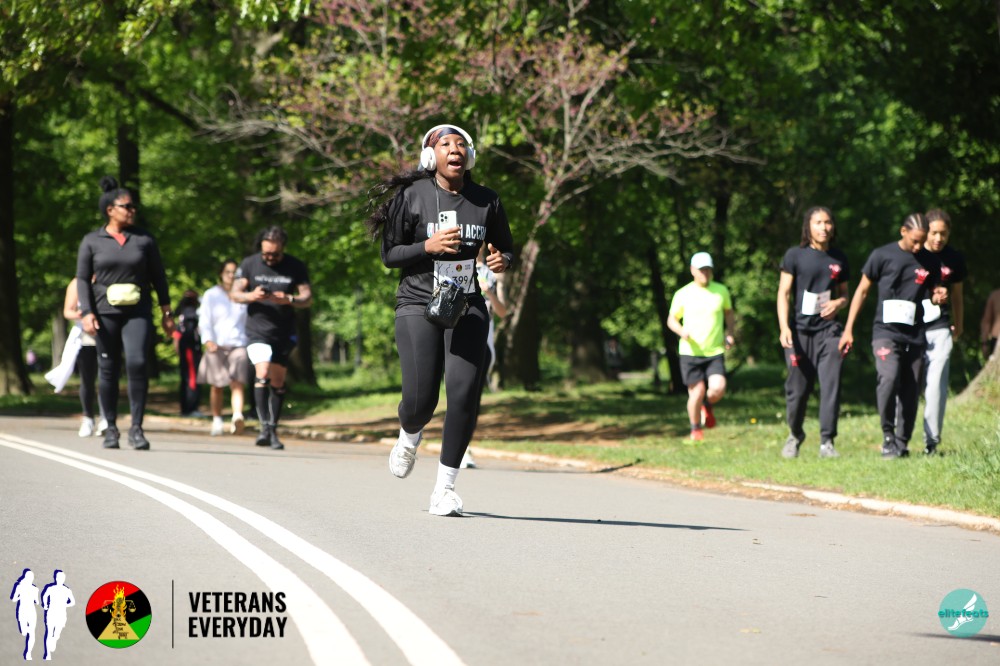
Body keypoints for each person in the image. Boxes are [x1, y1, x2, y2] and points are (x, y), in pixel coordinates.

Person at [365, 123, 514, 516]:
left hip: (467, 304)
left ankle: (444, 489)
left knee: (463, 395)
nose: (455, 149)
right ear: (431, 156)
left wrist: (502, 259)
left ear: (470, 155)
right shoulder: (411, 196)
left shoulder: (486, 200)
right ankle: (409, 435)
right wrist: (427, 246)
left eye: (461, 144)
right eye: (445, 144)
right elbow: (389, 255)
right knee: (421, 401)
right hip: (418, 302)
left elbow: (505, 248)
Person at [75, 176, 174, 450]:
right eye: (126, 206)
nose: (132, 210)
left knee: (137, 363)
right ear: (110, 210)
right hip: (104, 312)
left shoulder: (144, 239)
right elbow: (82, 279)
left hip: (137, 311)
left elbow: (158, 276)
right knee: (108, 368)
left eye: (133, 207)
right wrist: (87, 312)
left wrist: (166, 311)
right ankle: (110, 427)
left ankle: (137, 429)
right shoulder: (92, 241)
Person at [838, 213, 948, 458]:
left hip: (915, 334)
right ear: (903, 231)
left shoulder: (930, 261)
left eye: (922, 242)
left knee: (911, 389)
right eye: (914, 241)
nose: (918, 247)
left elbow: (933, 294)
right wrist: (848, 329)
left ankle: (902, 441)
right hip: (885, 332)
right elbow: (862, 291)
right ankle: (888, 436)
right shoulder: (882, 255)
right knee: (888, 378)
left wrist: (938, 296)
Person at [776, 207, 850, 459]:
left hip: (829, 331)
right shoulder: (794, 255)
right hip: (799, 332)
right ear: (808, 226)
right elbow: (784, 293)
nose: (824, 227)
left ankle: (827, 442)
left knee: (831, 385)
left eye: (828, 222)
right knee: (797, 390)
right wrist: (784, 327)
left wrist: (838, 303)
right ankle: (795, 434)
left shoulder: (838, 258)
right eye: (818, 222)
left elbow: (845, 294)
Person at [230, 226, 312, 451]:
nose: (270, 258)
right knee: (262, 371)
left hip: (283, 332)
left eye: (275, 254)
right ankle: (263, 427)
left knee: (277, 381)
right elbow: (234, 294)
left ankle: (272, 429)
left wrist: (289, 299)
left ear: (283, 248)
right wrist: (252, 295)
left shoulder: (295, 266)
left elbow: (307, 298)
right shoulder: (249, 264)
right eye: (266, 253)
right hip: (257, 331)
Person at [666, 251, 736, 441]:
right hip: (690, 352)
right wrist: (681, 331)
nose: (705, 272)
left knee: (718, 389)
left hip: (714, 351)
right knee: (696, 392)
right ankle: (695, 428)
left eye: (707, 269)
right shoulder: (683, 293)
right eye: (701, 269)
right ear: (692, 270)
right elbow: (671, 320)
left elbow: (729, 313)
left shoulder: (721, 290)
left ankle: (708, 405)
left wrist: (730, 334)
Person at [920, 209, 966, 455]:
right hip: (911, 327)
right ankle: (896, 439)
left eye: (943, 234)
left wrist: (959, 324)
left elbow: (957, 294)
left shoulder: (954, 259)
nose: (938, 238)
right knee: (905, 383)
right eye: (934, 233)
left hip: (940, 326)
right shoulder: (914, 253)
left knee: (936, 384)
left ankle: (932, 441)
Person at [461, 247, 509, 469]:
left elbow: (503, 311)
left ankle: (464, 448)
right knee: (459, 396)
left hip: (484, 344)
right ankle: (457, 447)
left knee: (473, 400)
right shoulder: (456, 267)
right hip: (458, 340)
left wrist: (488, 292)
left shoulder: (493, 273)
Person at [198, 259, 250, 436]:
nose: (231, 276)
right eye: (228, 272)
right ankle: (217, 419)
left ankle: (237, 416)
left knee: (237, 382)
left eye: (234, 272)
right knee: (217, 385)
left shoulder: (244, 296)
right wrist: (208, 340)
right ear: (221, 274)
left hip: (239, 344)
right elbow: (205, 319)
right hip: (217, 345)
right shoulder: (211, 295)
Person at [56, 278, 108, 437]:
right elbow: (67, 311)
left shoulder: (108, 277)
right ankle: (88, 418)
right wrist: (84, 315)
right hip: (86, 337)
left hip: (107, 334)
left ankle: (106, 418)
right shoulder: (77, 283)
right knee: (87, 379)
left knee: (107, 377)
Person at [174, 289, 203, 417]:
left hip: (185, 349)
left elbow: (177, 334)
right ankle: (191, 408)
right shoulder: (191, 313)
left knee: (186, 377)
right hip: (190, 349)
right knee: (191, 378)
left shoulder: (182, 313)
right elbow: (188, 333)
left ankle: (186, 408)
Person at [40, 570, 74, 661]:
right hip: (51, 612)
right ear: (56, 578)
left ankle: (54, 639)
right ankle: (47, 653)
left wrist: (65, 605)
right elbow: (45, 596)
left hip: (61, 614)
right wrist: (45, 604)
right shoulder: (51, 588)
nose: (60, 579)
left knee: (56, 634)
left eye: (62, 578)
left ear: (64, 579)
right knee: (49, 632)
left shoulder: (66, 590)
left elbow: (72, 602)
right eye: (59, 578)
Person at [9, 568, 38, 660]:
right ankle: (28, 651)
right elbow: (37, 602)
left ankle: (28, 653)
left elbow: (14, 599)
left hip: (28, 611)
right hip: (25, 611)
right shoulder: (22, 587)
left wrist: (21, 597)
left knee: (31, 632)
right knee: (25, 632)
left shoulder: (32, 588)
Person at [980, 288, 1000, 360]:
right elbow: (986, 321)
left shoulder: (995, 295)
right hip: (996, 341)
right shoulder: (995, 295)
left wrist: (984, 343)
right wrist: (984, 343)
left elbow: (986, 321)